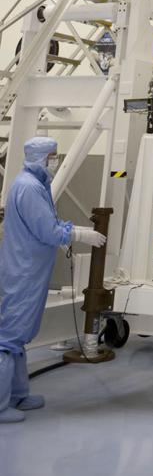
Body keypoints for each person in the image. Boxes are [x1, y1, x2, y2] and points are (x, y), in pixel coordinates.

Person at [0, 137, 105, 424]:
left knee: (20, 336)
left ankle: (18, 394)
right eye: (53, 156)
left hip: (30, 269)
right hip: (24, 271)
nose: (55, 161)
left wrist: (75, 229)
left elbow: (51, 222)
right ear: (40, 157)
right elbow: (47, 231)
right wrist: (80, 235)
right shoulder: (29, 188)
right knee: (9, 337)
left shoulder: (36, 184)